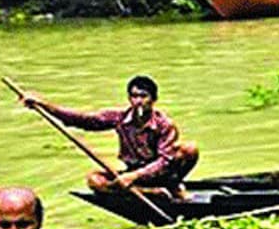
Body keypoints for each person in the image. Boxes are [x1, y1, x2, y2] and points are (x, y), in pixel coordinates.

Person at [19, 76, 198, 198]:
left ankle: (171, 186)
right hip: (133, 175)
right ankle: (147, 192)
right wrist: (42, 104)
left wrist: (135, 176)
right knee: (94, 180)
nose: (138, 101)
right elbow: (80, 119)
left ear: (153, 99)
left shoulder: (164, 124)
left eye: (143, 96)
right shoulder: (119, 118)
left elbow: (165, 161)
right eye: (134, 96)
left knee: (189, 149)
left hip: (160, 173)